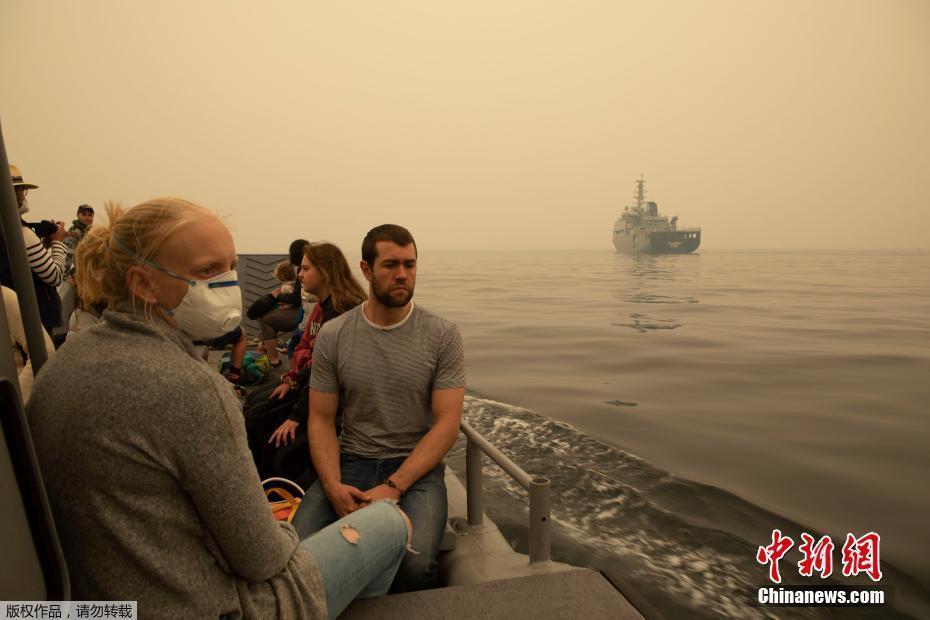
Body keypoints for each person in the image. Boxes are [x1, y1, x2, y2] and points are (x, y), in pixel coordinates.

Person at [27, 199, 411, 619]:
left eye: (230, 267)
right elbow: (261, 560)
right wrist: (277, 529)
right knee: (389, 522)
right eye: (208, 271)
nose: (229, 282)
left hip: (109, 597)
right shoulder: (190, 387)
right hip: (208, 605)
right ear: (142, 283)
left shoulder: (67, 359)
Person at [292, 224, 466, 592]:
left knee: (415, 564)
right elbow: (321, 419)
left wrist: (394, 486)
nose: (403, 274)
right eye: (391, 265)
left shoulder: (443, 335)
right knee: (295, 555)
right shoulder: (335, 335)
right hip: (352, 461)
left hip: (415, 470)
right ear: (367, 270)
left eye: (410, 264)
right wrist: (332, 484)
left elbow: (447, 424)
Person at [244, 242, 367, 481]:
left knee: (262, 430)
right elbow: (316, 361)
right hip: (316, 386)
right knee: (255, 404)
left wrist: (295, 417)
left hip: (338, 402)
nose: (300, 275)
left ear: (326, 271)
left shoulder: (342, 309)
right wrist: (292, 381)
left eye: (306, 269)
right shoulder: (325, 307)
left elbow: (325, 371)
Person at [0, 165, 67, 334]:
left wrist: (44, 244)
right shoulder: (22, 233)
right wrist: (58, 242)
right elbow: (55, 275)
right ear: (15, 193)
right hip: (35, 322)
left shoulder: (6, 230)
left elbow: (20, 261)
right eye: (21, 189)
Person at [59, 204, 95, 331]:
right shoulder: (75, 233)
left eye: (90, 215)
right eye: (84, 214)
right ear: (78, 215)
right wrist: (66, 277)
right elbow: (66, 256)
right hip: (78, 279)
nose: (87, 218)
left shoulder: (91, 233)